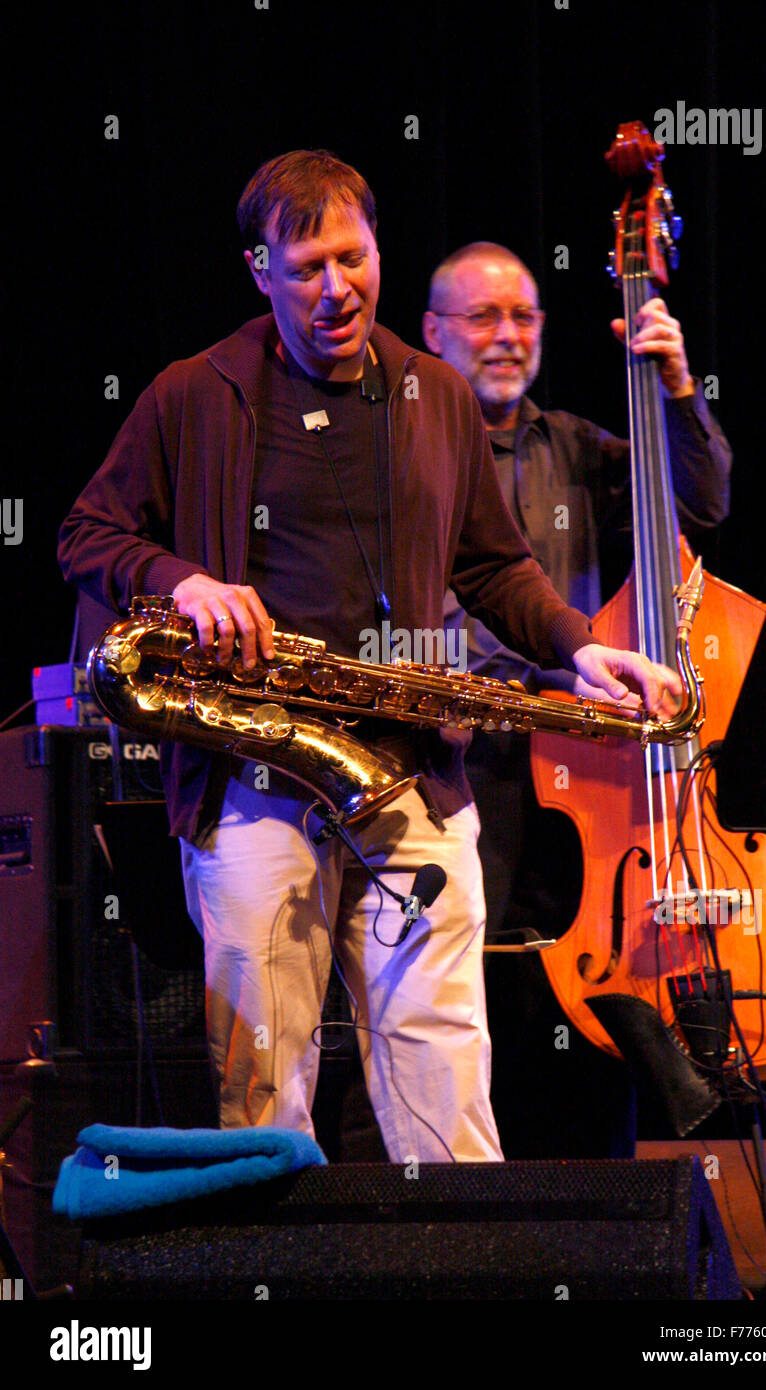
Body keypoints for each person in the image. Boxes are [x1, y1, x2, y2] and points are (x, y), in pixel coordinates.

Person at [58, 154, 684, 1165]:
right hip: (254, 780)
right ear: (260, 269)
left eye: (353, 259)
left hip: (412, 779)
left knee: (447, 1088)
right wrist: (184, 581)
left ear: (380, 254)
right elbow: (85, 532)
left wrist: (582, 651)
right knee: (263, 1096)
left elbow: (495, 568)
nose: (335, 287)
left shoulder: (432, 391)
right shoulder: (192, 394)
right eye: (306, 266)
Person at [423, 241, 732, 1156]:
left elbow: (704, 503)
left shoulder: (579, 448)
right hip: (456, 758)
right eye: (482, 317)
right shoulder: (408, 449)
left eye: (523, 317)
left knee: (588, 1004)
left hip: (584, 771)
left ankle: (602, 1212)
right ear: (432, 332)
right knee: (463, 992)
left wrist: (674, 388)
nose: (507, 336)